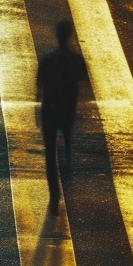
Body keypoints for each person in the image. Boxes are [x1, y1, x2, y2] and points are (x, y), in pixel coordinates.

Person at [36, 19, 88, 215]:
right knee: (66, 144)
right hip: (67, 109)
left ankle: (54, 194)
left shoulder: (47, 60)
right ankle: (67, 178)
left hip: (49, 110)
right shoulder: (75, 60)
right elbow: (84, 79)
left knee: (50, 153)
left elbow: (38, 88)